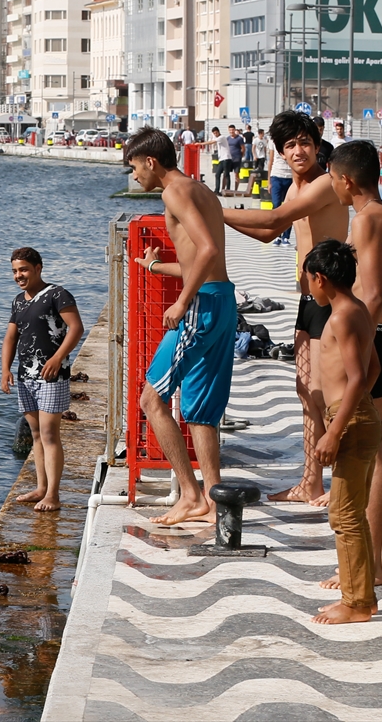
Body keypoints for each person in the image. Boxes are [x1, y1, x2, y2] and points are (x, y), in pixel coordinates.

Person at [224, 111, 349, 506]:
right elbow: (269, 233)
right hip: (308, 300)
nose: (298, 150)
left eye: (304, 142)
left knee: (332, 395)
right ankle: (310, 481)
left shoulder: (324, 183)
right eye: (290, 145)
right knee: (307, 391)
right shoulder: (296, 189)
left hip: (332, 302)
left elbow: (274, 218)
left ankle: (342, 483)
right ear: (279, 152)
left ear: (317, 144)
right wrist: (220, 219)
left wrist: (213, 209)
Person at [126, 127, 235, 525]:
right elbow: (200, 260)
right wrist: (155, 266)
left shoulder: (172, 192)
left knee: (151, 401)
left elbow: (207, 249)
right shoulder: (201, 189)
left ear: (150, 161)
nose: (134, 175)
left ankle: (189, 494)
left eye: (134, 167)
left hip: (200, 306)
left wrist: (182, 301)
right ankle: (212, 500)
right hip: (222, 299)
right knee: (201, 411)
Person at [321, 140, 382, 587]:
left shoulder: (367, 220)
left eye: (331, 178)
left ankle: (371, 564)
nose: (331, 187)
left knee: (373, 453)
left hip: (375, 338)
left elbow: (372, 294)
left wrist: (359, 345)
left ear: (346, 180)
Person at [302, 240, 381, 625]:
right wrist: (357, 406)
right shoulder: (358, 309)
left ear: (320, 278)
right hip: (357, 415)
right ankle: (364, 596)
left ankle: (356, 604)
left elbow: (359, 376)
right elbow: (375, 367)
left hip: (348, 421)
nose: (308, 288)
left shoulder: (341, 317)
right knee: (353, 513)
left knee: (344, 515)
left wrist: (334, 429)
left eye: (308, 280)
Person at [1, 247, 84, 512]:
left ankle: (53, 495)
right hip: (26, 376)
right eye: (15, 271)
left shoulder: (57, 294)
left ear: (38, 268)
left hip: (51, 375)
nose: (18, 275)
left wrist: (58, 358)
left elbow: (76, 328)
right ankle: (40, 488)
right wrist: (5, 369)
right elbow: (11, 337)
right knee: (36, 434)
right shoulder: (19, 301)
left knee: (49, 434)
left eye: (23, 269)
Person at [224, 125, 245, 192]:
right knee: (226, 173)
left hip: (237, 158)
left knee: (236, 174)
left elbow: (243, 148)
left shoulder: (239, 138)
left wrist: (240, 156)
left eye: (232, 130)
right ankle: (225, 188)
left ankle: (236, 189)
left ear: (235, 130)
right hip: (229, 158)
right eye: (230, 130)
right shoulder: (227, 138)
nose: (231, 131)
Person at [251, 127, 268, 195]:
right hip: (257, 156)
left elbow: (265, 148)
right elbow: (253, 148)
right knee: (256, 169)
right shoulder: (255, 140)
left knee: (261, 169)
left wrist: (265, 156)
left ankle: (260, 183)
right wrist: (254, 155)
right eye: (262, 133)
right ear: (260, 134)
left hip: (262, 156)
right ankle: (255, 183)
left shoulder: (264, 140)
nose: (263, 135)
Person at [210, 127, 226, 194]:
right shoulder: (218, 138)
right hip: (221, 159)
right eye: (214, 133)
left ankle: (227, 190)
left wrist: (200, 144)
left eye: (216, 133)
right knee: (217, 174)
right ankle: (217, 190)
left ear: (219, 132)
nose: (215, 134)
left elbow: (212, 142)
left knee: (226, 175)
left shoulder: (221, 137)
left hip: (226, 158)